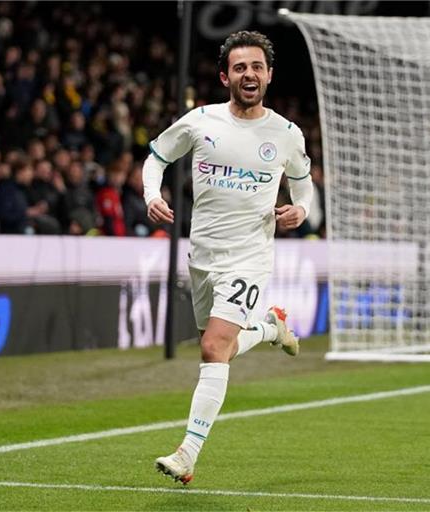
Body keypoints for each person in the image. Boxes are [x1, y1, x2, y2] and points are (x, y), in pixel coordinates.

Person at [143, 31, 313, 484]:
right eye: (240, 68)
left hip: (249, 257)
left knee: (213, 347)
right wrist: (149, 193)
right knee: (225, 347)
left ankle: (187, 454)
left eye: (257, 66)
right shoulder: (201, 121)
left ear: (269, 75)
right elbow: (156, 156)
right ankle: (271, 327)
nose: (249, 74)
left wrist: (302, 209)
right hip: (203, 256)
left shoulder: (286, 134)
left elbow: (303, 184)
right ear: (225, 76)